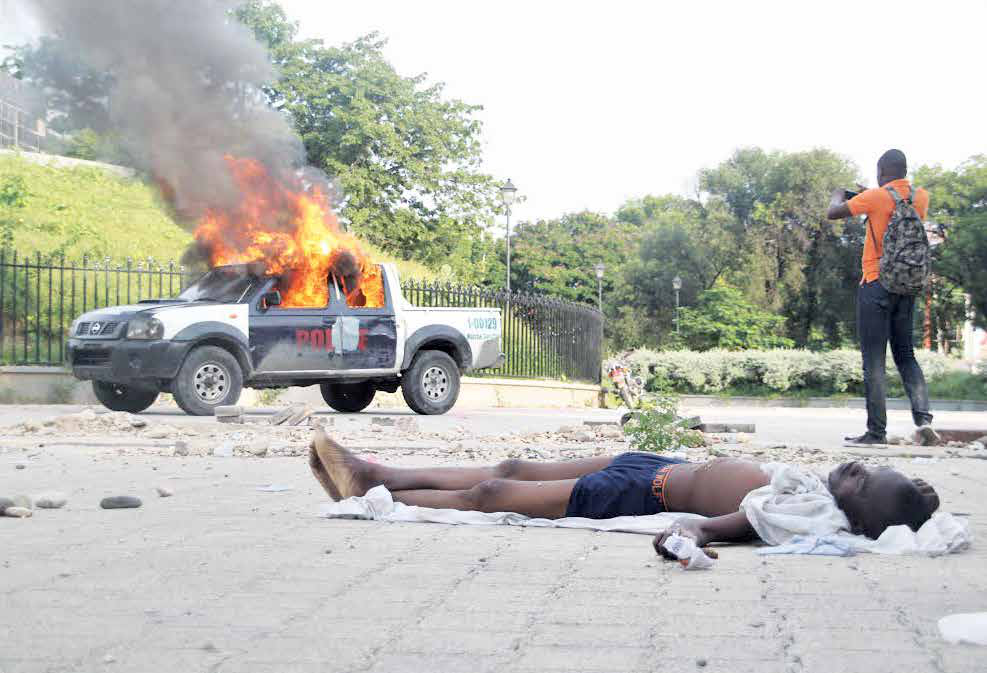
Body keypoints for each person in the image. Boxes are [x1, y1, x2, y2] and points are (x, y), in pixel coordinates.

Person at [309, 430, 940, 551]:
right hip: (652, 463)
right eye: (862, 468)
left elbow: (733, 522)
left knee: (494, 492)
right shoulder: (827, 493)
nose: (851, 473)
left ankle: (376, 493)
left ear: (854, 514)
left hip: (640, 495)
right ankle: (379, 471)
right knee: (515, 465)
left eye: (861, 482)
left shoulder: (810, 516)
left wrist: (695, 532)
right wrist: (915, 494)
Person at [826, 149, 938, 447]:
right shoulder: (921, 196)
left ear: (882, 171)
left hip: (876, 283)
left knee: (874, 362)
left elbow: (833, 212)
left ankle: (876, 432)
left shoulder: (875, 197)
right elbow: (893, 206)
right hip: (906, 285)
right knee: (906, 355)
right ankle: (924, 420)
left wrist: (839, 193)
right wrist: (872, 194)